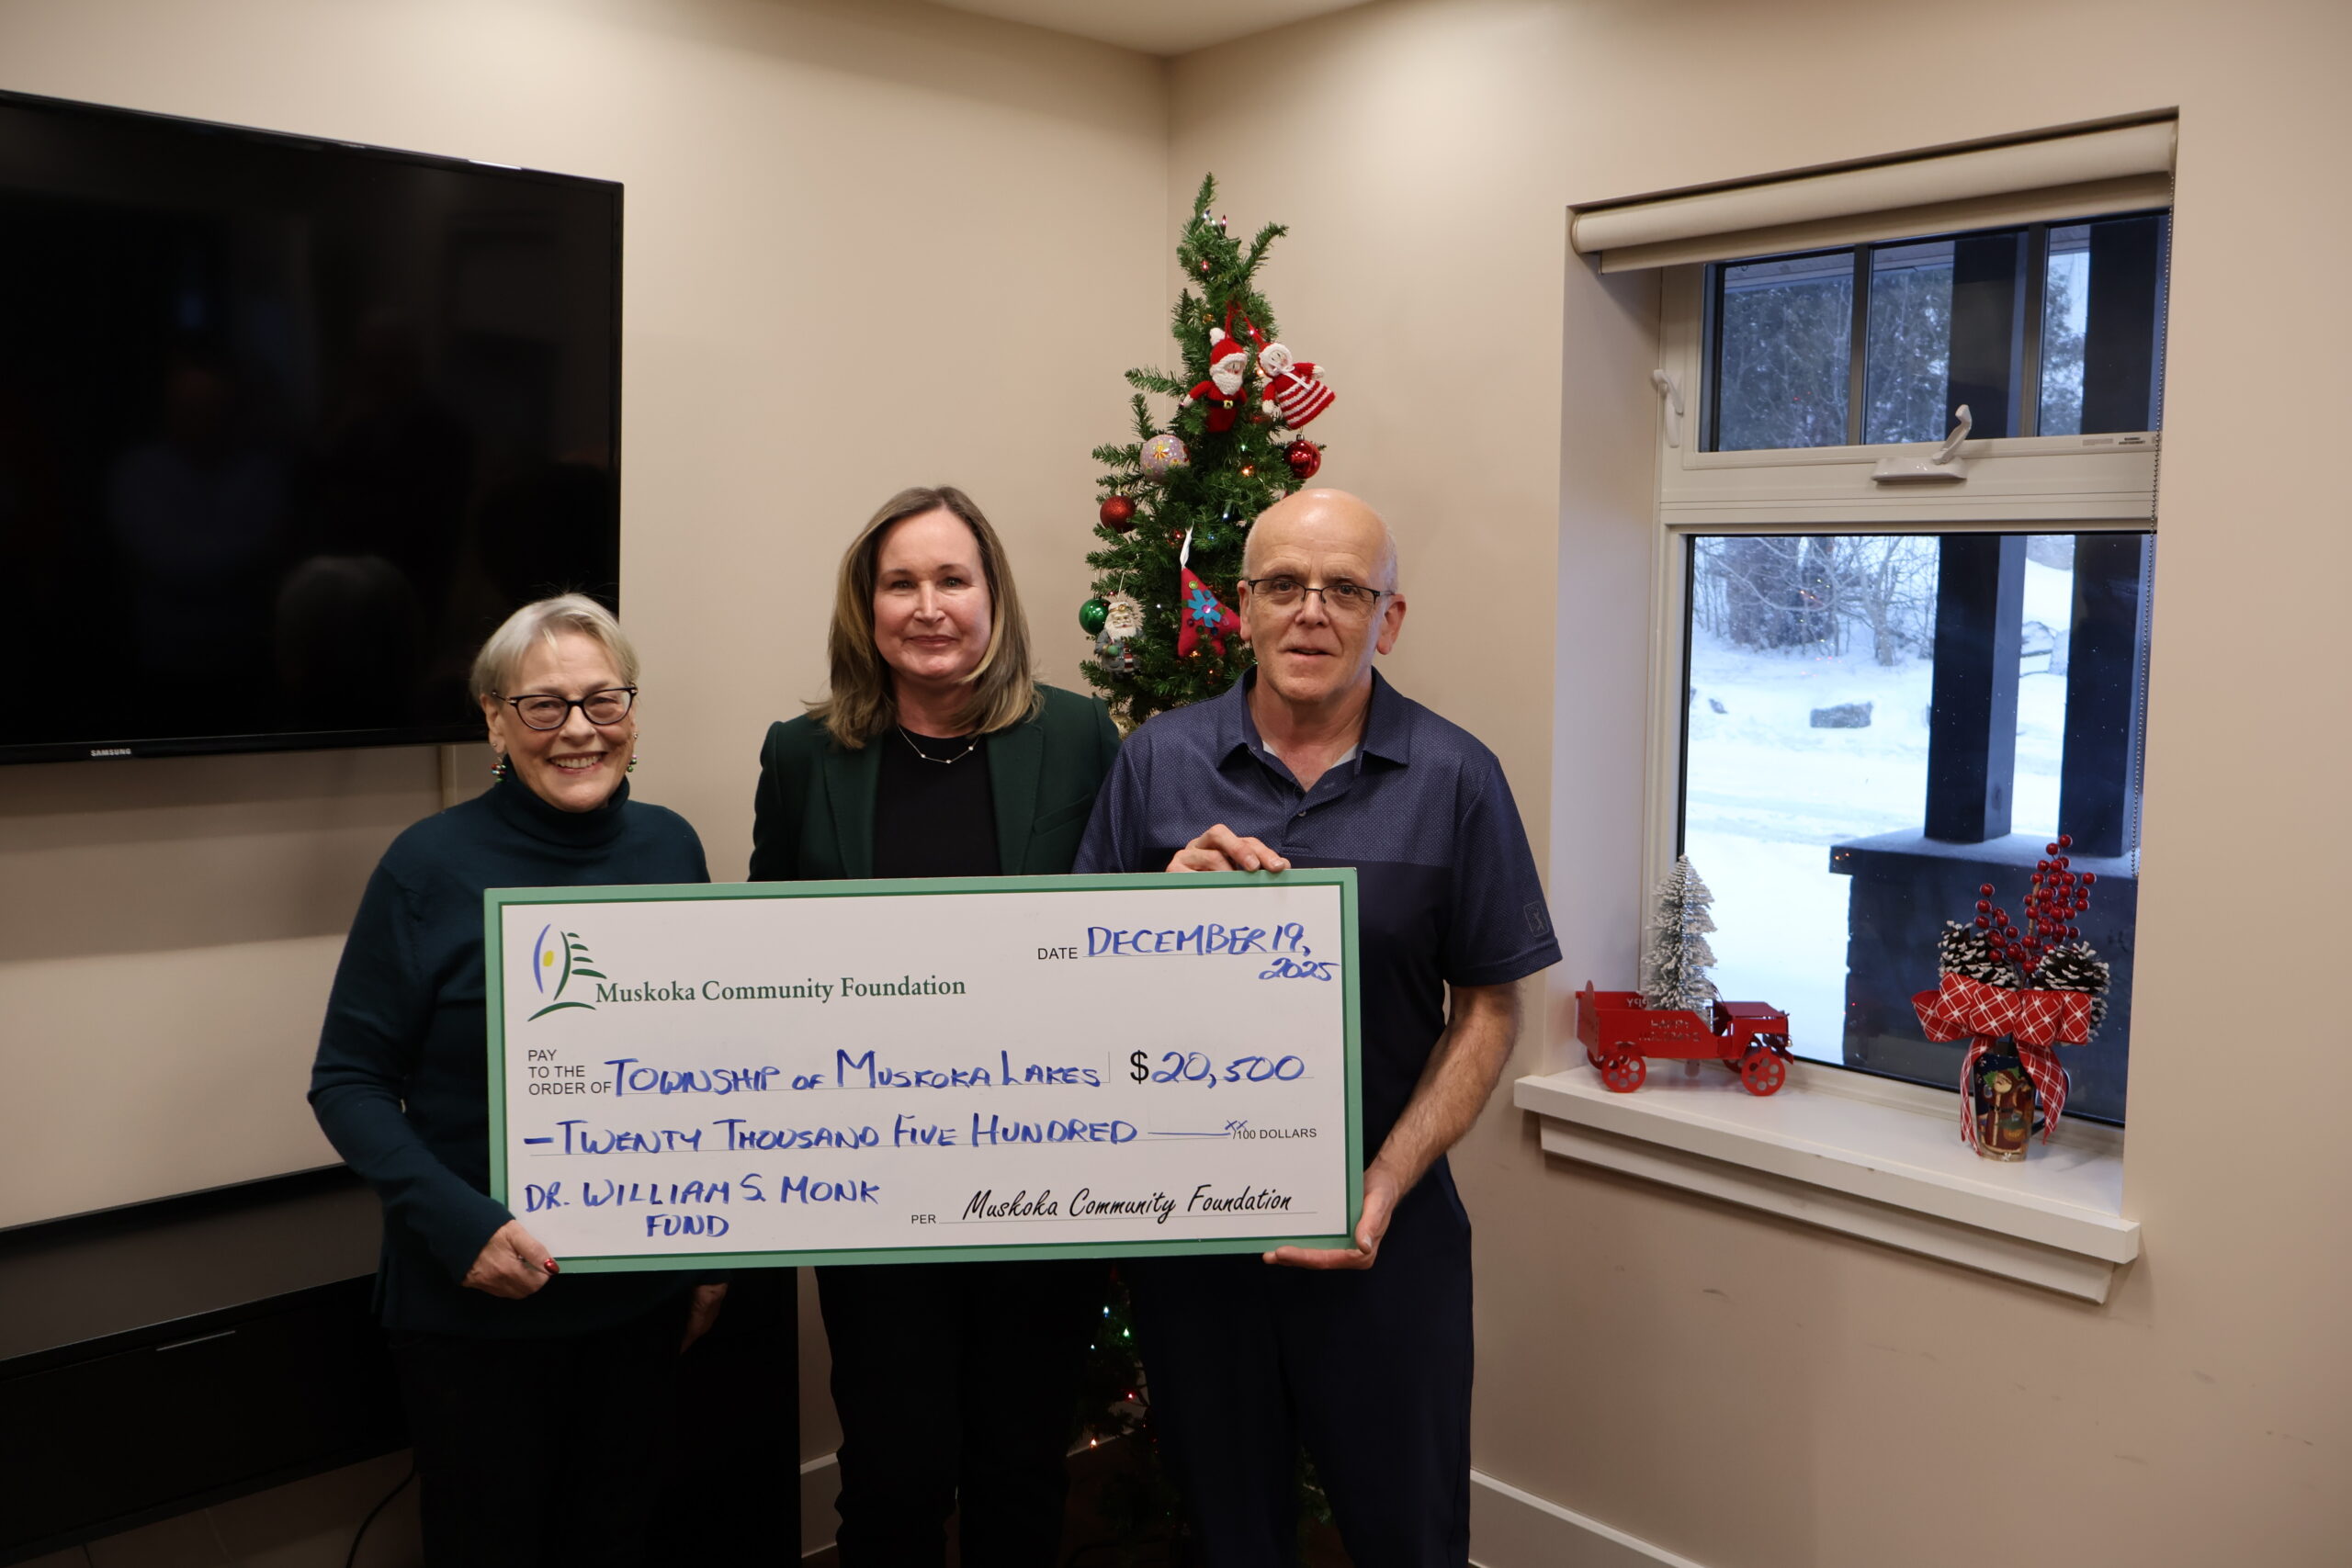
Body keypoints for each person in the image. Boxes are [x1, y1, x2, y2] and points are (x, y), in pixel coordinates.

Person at [1073, 488, 1560, 1567]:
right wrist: (1158, 905)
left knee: (1408, 1533)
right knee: (1230, 1530)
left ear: (1387, 620)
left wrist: (1383, 1182)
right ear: (1238, 607)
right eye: (1284, 585)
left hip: (1386, 1234)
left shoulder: (1455, 778)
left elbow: (1488, 1005)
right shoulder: (1157, 763)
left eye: (1345, 589)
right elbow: (1077, 986)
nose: (1312, 612)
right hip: (1198, 1236)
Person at [310, 593, 722, 1568]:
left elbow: (702, 1064)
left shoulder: (672, 849)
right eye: (544, 706)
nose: (579, 730)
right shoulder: (426, 867)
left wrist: (711, 1253)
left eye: (603, 701)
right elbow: (348, 1082)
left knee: (613, 1538)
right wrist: (463, 1230)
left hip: (636, 1301)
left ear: (632, 711)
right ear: (493, 718)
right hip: (477, 1310)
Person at [751, 485, 1123, 1566]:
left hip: (1038, 1173)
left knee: (1019, 1461)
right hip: (872, 1185)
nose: (928, 605)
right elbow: (766, 942)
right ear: (864, 607)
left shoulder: (1075, 733)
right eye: (900, 582)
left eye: (952, 579)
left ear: (992, 596)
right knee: (894, 1471)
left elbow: (1119, 930)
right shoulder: (802, 754)